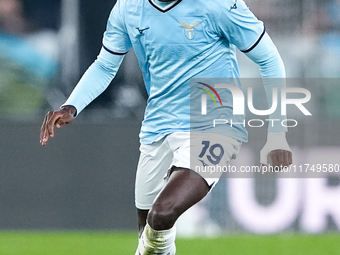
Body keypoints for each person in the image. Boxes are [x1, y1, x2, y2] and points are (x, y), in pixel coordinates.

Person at [40, 0, 293, 254]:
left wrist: (277, 133)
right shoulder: (128, 8)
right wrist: (71, 106)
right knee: (149, 236)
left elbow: (270, 60)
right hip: (158, 128)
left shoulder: (218, 5)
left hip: (215, 126)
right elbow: (105, 65)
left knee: (161, 215)